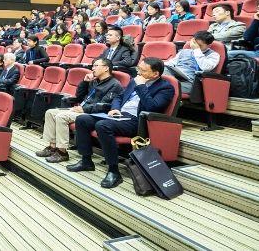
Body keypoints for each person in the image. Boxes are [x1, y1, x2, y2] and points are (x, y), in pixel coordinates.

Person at [67, 58, 175, 189]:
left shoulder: (166, 88)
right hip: (119, 115)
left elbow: (151, 107)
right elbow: (119, 97)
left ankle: (113, 171)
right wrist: (115, 108)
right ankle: (86, 161)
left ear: (155, 74)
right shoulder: (134, 80)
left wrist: (141, 86)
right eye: (138, 69)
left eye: (143, 71)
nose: (139, 73)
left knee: (102, 126)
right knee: (82, 119)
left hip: (137, 120)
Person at [36, 58, 122, 163]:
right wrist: (84, 82)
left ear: (106, 68)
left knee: (61, 116)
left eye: (96, 66)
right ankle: (52, 147)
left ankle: (62, 152)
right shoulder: (94, 81)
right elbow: (79, 96)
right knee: (50, 112)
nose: (93, 68)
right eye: (93, 66)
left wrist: (84, 109)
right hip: (81, 109)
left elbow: (105, 106)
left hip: (93, 114)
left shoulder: (114, 84)